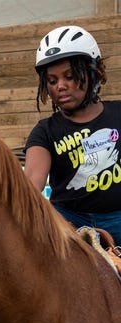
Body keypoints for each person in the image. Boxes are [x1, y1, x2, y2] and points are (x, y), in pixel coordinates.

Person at [24, 25, 121, 246]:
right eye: (52, 80)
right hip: (67, 220)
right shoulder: (45, 131)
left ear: (93, 73)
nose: (61, 86)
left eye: (70, 76)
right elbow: (29, 185)